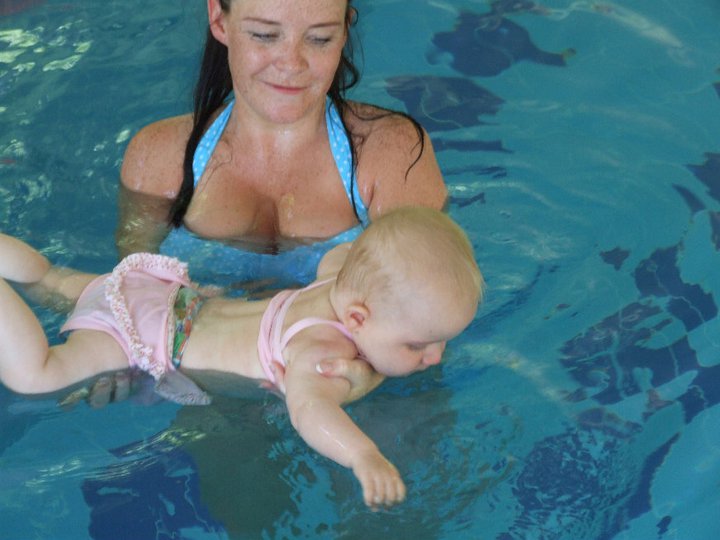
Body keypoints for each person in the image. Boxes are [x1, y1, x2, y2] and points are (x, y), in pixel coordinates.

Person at [0, 207, 482, 508]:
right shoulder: (321, 354)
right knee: (38, 375)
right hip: (145, 338)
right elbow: (310, 410)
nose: (435, 357)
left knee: (51, 276)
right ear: (357, 319)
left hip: (162, 294)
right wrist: (363, 455)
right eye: (418, 344)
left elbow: (358, 252)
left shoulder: (340, 277)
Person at [116, 0, 446, 289]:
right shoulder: (159, 158)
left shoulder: (391, 156)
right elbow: (129, 302)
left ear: (345, 31)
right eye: (264, 35)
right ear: (219, 19)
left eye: (320, 39)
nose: (291, 64)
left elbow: (420, 317)